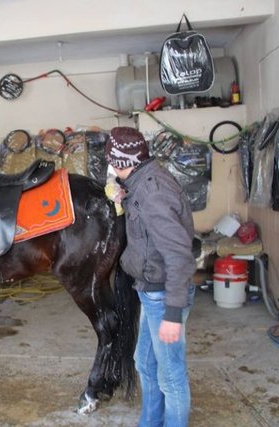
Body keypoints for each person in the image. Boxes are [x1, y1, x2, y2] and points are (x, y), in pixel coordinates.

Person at [105, 127, 196, 427]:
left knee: (170, 377)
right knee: (144, 362)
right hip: (150, 291)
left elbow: (179, 255)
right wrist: (124, 198)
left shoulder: (152, 191)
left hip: (163, 297)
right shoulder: (141, 180)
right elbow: (147, 230)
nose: (109, 169)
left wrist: (172, 312)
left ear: (119, 161)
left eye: (111, 162)